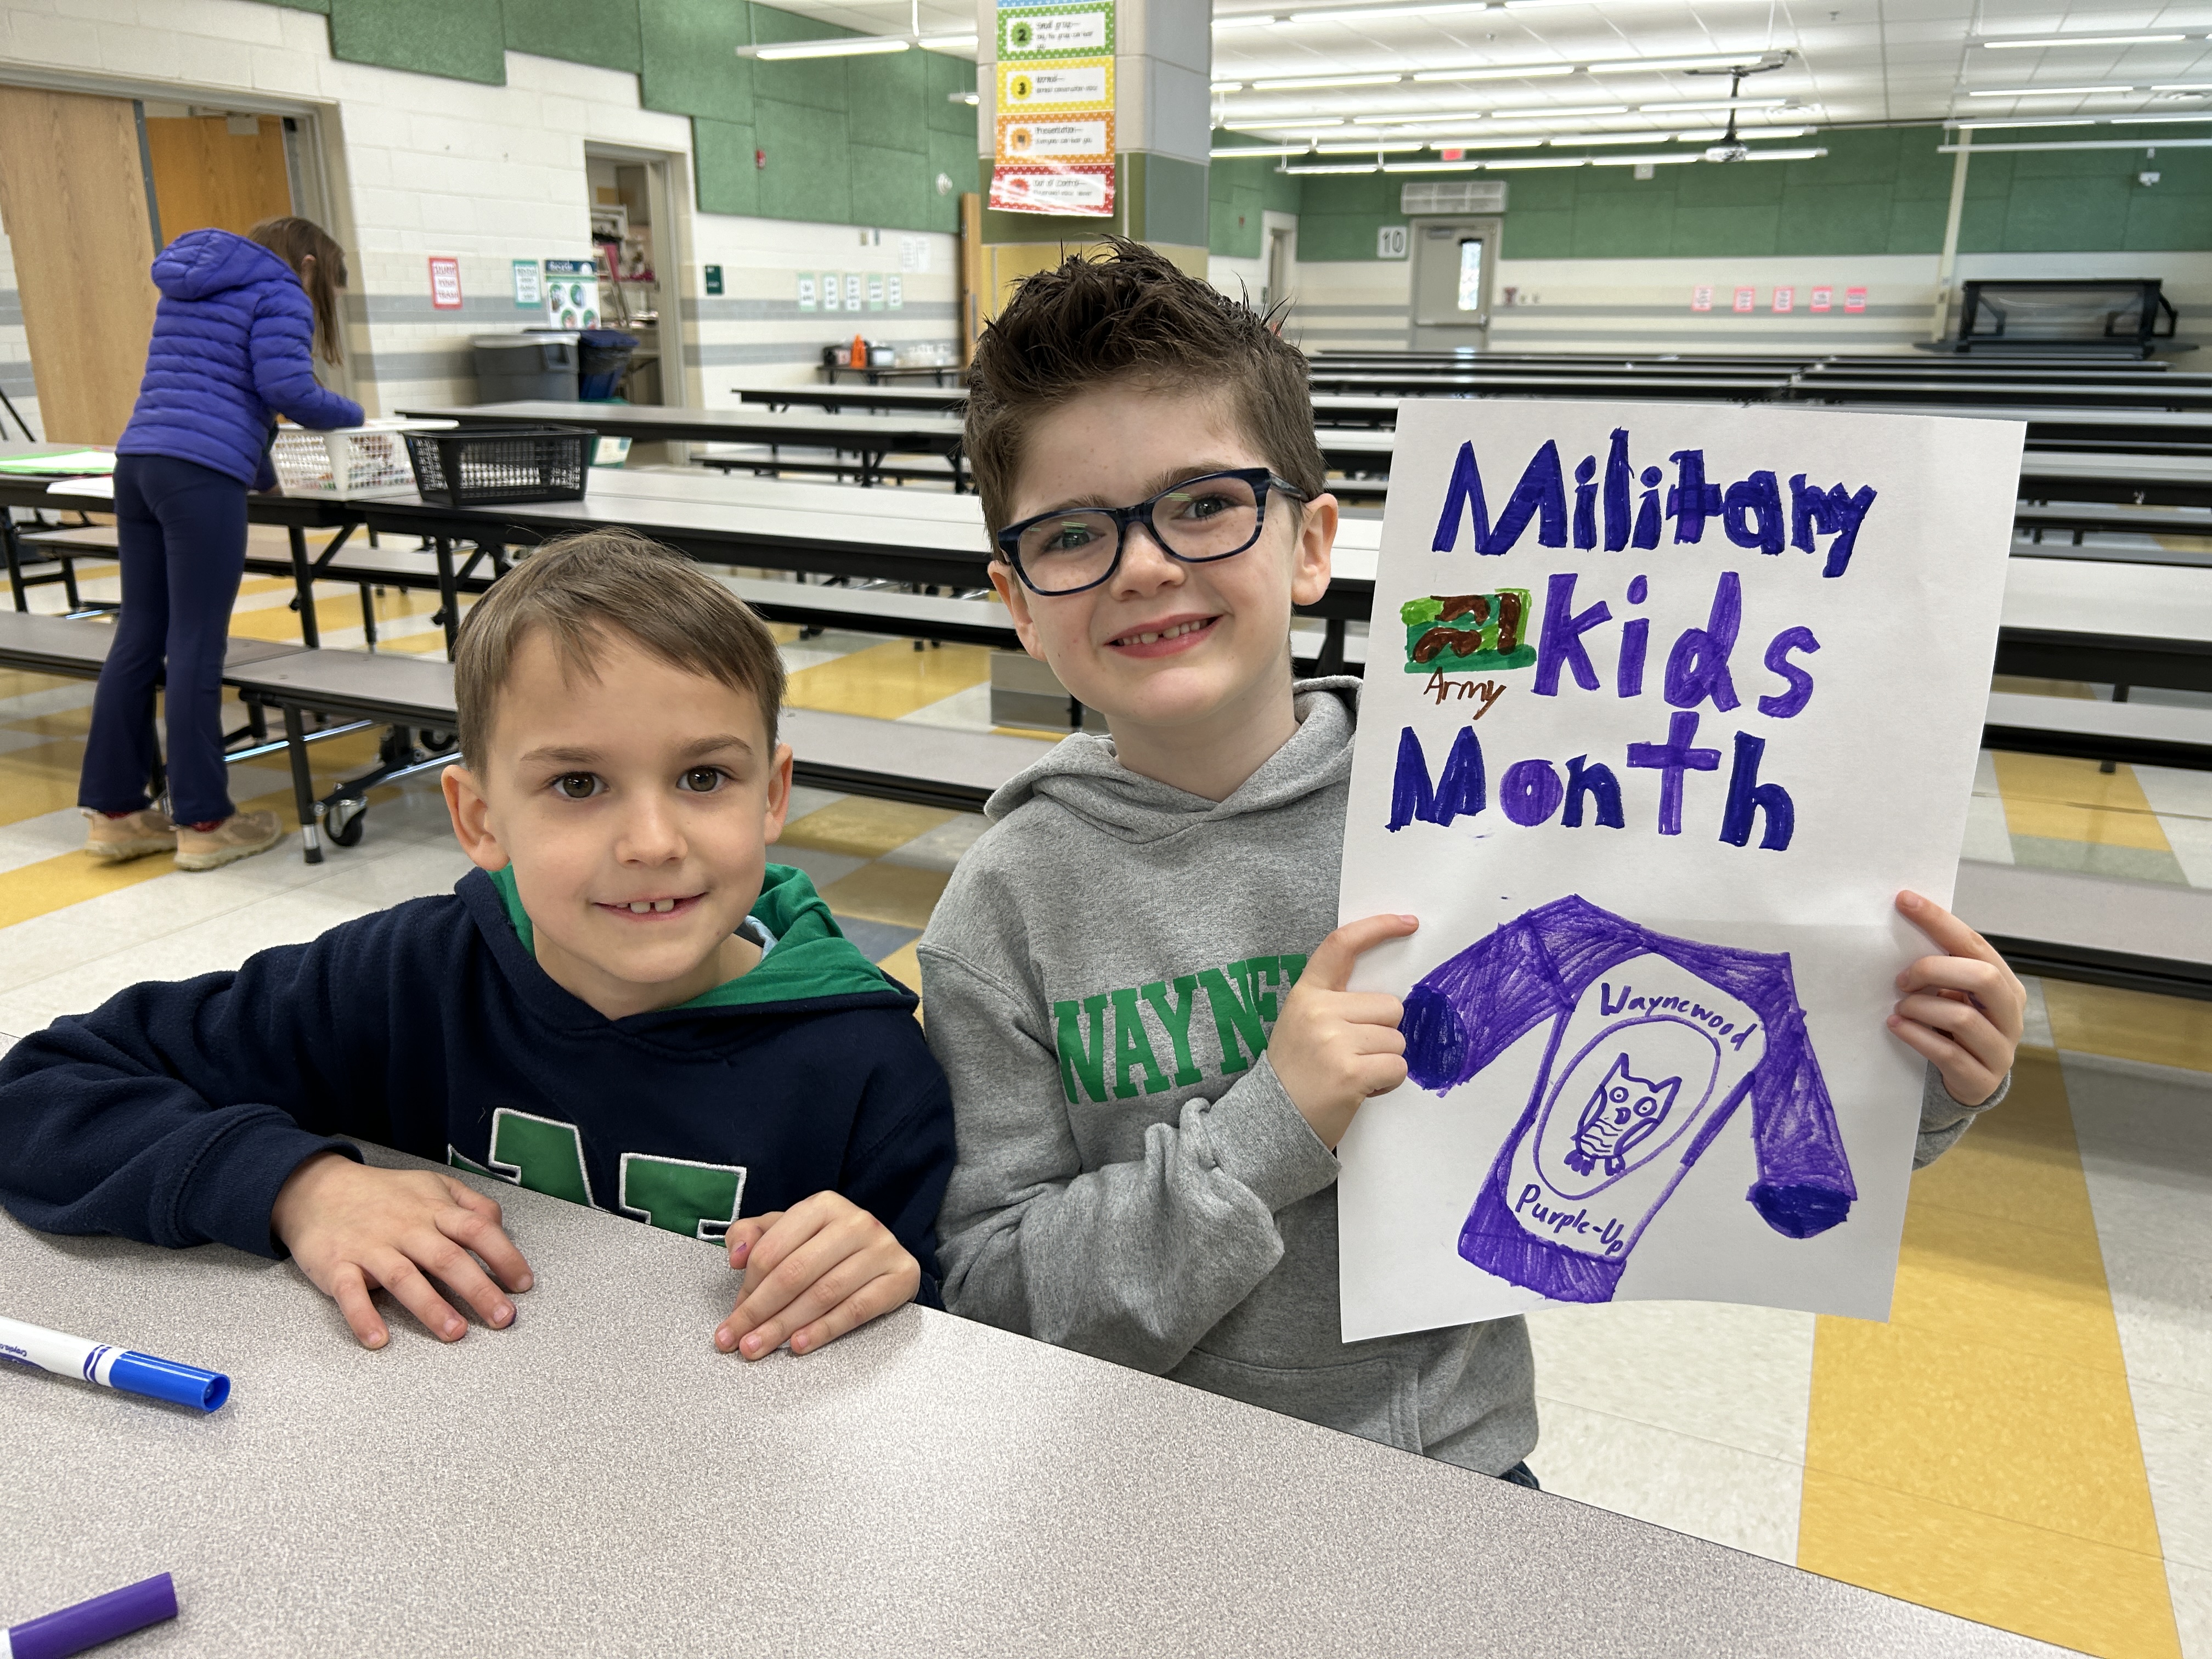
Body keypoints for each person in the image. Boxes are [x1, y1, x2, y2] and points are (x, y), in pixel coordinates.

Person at [916, 241, 2023, 1482]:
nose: (1148, 564)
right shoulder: (1003, 910)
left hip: (1456, 1465)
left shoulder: (1485, 804)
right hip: (1132, 1478)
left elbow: (1692, 1057)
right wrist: (1269, 1129)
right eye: (1073, 536)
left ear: (1312, 542)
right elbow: (998, 1296)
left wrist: (1915, 1075)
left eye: (1206, 503)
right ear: (1017, 601)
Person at [4, 531, 955, 1361]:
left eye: (704, 775)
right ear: (479, 816)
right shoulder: (406, 978)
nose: (653, 841)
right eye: (578, 784)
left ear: (773, 793)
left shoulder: (867, 1060)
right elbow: (41, 1089)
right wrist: (300, 1184)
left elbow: (954, 1333)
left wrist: (888, 1269)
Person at [81, 215, 365, 872]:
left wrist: (259, 472)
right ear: (312, 265)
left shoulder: (186, 288)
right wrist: (358, 417)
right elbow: (286, 391)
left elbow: (214, 394)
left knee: (138, 635)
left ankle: (116, 813)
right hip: (199, 481)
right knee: (195, 648)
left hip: (140, 465)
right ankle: (205, 823)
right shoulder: (283, 293)